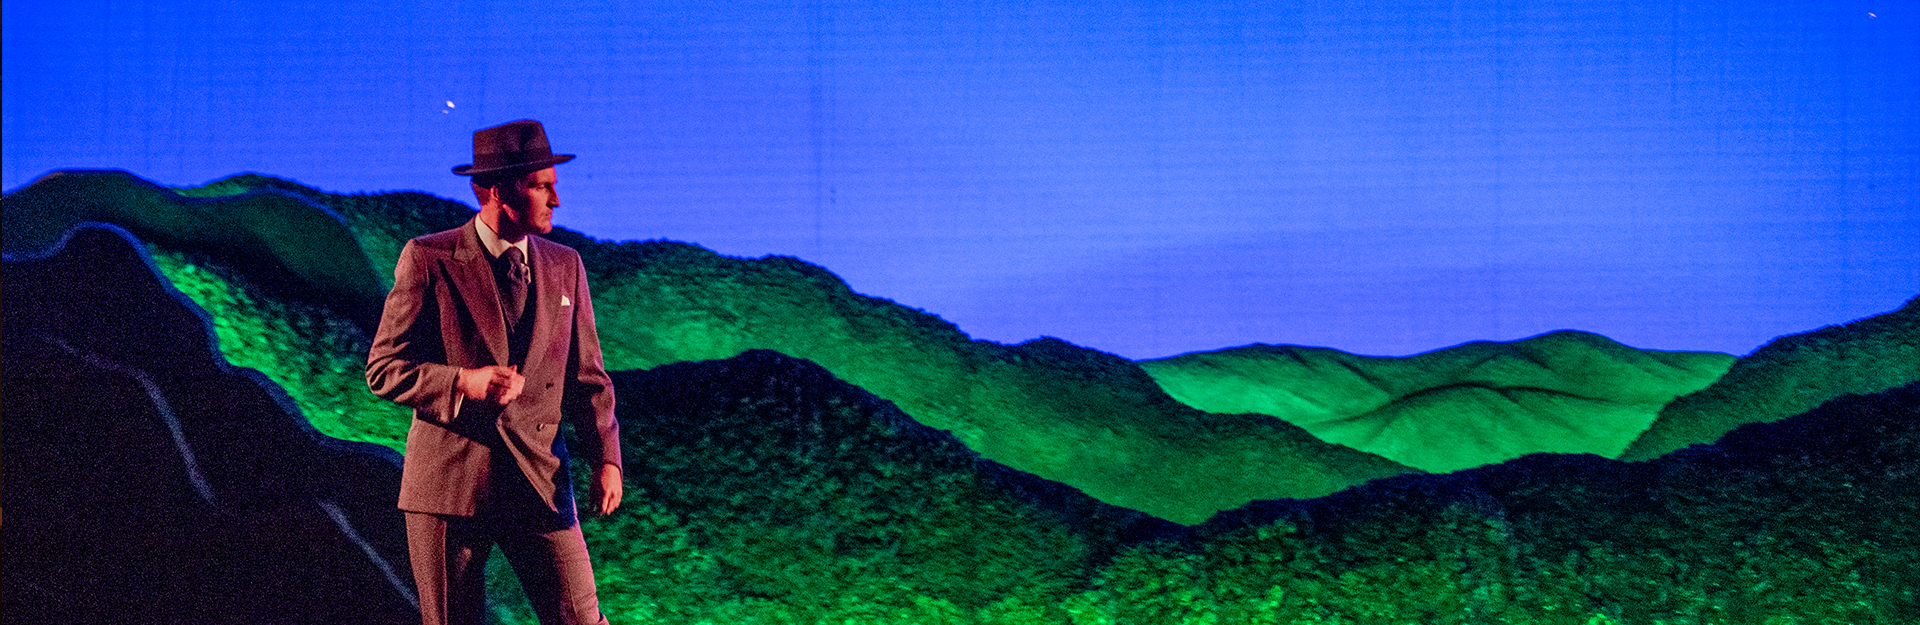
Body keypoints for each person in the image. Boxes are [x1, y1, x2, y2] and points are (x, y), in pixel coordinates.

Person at [367, 119, 623, 625]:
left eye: (554, 185)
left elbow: (587, 377)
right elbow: (383, 369)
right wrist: (463, 382)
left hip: (540, 478)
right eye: (541, 187)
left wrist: (607, 458)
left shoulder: (565, 264)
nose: (556, 200)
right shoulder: (430, 258)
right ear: (494, 191)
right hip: (450, 484)